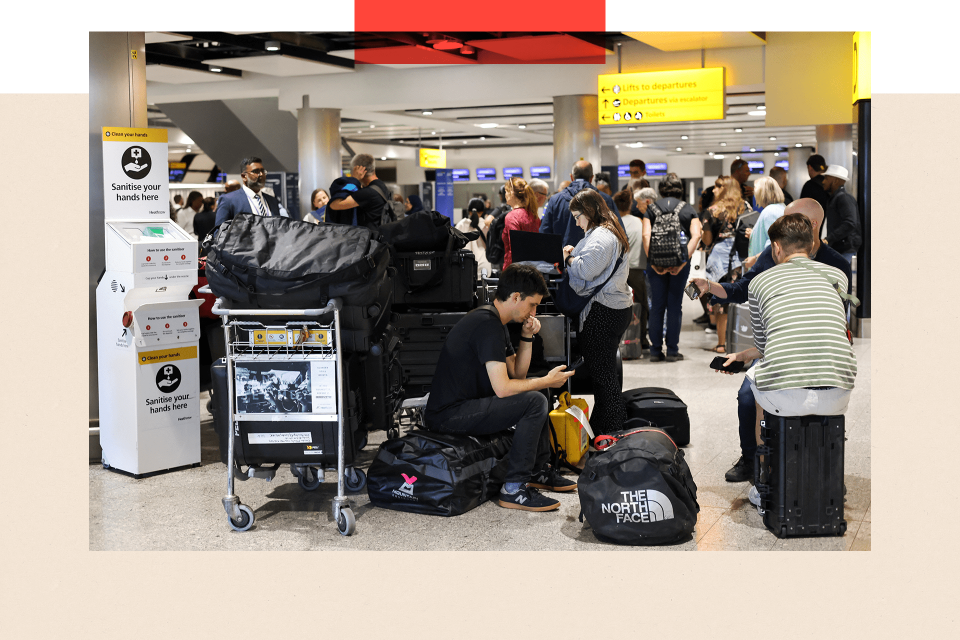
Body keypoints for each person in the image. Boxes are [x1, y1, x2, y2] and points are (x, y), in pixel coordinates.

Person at [688, 198, 852, 483]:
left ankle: (767, 473)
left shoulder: (834, 264)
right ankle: (752, 459)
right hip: (827, 372)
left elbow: (835, 323)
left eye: (789, 219)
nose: (781, 225)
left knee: (763, 389)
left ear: (811, 225)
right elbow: (742, 289)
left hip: (807, 356)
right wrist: (710, 286)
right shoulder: (781, 258)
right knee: (747, 396)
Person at [424, 264, 577, 512]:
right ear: (516, 297)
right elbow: (504, 389)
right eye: (532, 304)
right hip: (448, 415)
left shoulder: (496, 322)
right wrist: (546, 381)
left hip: (466, 406)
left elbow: (518, 374)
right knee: (536, 399)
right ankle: (513, 489)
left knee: (540, 392)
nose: (533, 312)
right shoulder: (486, 323)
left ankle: (536, 472)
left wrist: (526, 337)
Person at [562, 190, 633, 435]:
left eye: (577, 216)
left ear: (590, 212)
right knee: (604, 374)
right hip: (612, 308)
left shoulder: (602, 235)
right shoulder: (606, 232)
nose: (576, 222)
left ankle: (613, 431)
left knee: (603, 377)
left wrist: (569, 258)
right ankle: (604, 428)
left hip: (603, 311)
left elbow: (586, 269)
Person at [642, 172, 702, 362]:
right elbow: (697, 235)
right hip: (679, 264)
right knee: (675, 305)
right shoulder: (688, 209)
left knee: (657, 306)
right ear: (680, 189)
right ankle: (673, 351)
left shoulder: (651, 209)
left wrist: (653, 262)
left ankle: (655, 351)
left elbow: (646, 236)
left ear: (661, 189)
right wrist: (683, 261)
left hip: (655, 264)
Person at [699, 175, 747, 353]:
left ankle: (721, 344)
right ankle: (741, 341)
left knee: (721, 301)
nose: (713, 190)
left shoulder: (712, 210)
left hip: (719, 259)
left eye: (718, 187)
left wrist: (703, 229)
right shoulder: (746, 207)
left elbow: (708, 239)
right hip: (741, 259)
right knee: (741, 300)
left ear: (725, 189)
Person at [540, 161, 623, 249]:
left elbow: (544, 234)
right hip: (596, 259)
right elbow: (618, 233)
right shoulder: (605, 199)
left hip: (564, 258)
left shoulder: (555, 200)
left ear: (571, 177)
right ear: (591, 178)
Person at [613, 189, 648, 353]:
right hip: (636, 270)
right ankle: (640, 339)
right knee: (641, 305)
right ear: (630, 204)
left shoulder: (614, 222)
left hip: (616, 271)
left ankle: (617, 340)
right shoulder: (639, 222)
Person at [214, 156, 290, 229]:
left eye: (263, 171)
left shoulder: (272, 200)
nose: (261, 174)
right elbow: (220, 231)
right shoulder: (229, 200)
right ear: (244, 176)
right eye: (256, 171)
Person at [327, 154, 392, 229]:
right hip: (381, 235)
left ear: (359, 169)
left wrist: (354, 179)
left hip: (371, 238)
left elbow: (334, 204)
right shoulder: (381, 186)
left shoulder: (368, 193)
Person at [820, 164, 862, 265]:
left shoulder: (843, 198)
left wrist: (829, 238)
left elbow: (850, 223)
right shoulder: (835, 198)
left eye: (826, 178)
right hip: (839, 248)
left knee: (839, 278)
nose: (823, 182)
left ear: (835, 181)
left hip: (844, 248)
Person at [501, 177, 543, 270]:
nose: (505, 195)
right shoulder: (534, 216)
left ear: (511, 192)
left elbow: (515, 248)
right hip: (532, 269)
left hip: (514, 270)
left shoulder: (511, 217)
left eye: (506, 191)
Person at [747, 176, 787, 259]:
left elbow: (773, 244)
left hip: (765, 266)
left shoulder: (770, 211)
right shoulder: (780, 207)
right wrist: (754, 234)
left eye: (755, 189)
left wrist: (754, 259)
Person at [455, 197, 493, 276]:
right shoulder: (486, 225)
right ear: (482, 211)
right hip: (484, 268)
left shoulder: (461, 224)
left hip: (465, 266)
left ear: (469, 210)